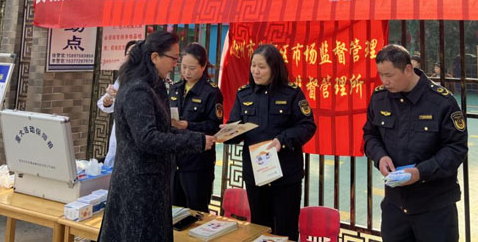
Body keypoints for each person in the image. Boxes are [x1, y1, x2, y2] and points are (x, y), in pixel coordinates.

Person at [98, 30, 215, 242]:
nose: (176, 65)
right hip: (138, 184)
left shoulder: (153, 84)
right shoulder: (138, 89)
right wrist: (195, 141)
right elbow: (148, 138)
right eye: (173, 59)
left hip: (152, 182)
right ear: (154, 57)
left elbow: (163, 129)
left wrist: (197, 138)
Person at [363, 44, 467, 242]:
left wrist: (420, 172)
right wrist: (380, 156)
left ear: (408, 69)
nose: (385, 81)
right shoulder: (380, 98)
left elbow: (456, 149)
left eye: (389, 75)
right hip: (395, 205)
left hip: (435, 207)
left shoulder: (441, 101)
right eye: (381, 75)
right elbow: (370, 135)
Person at [225, 44, 316, 241]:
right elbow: (235, 127)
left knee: (285, 230)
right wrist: (227, 133)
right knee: (260, 228)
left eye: (262, 67)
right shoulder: (244, 94)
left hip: (285, 175)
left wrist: (282, 140)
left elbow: (307, 125)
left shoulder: (291, 93)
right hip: (256, 175)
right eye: (253, 66)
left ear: (274, 68)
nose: (256, 71)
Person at [170, 42, 223, 212]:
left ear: (203, 66)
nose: (186, 72)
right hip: (175, 161)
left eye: (192, 68)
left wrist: (188, 125)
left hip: (198, 163)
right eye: (183, 67)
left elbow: (214, 126)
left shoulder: (211, 92)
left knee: (196, 212)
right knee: (173, 211)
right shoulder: (175, 88)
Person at [97, 39, 139, 167]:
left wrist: (120, 96)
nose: (129, 57)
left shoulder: (147, 80)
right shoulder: (123, 77)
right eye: (128, 54)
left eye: (134, 54)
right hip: (118, 134)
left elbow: (138, 107)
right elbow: (104, 103)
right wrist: (108, 102)